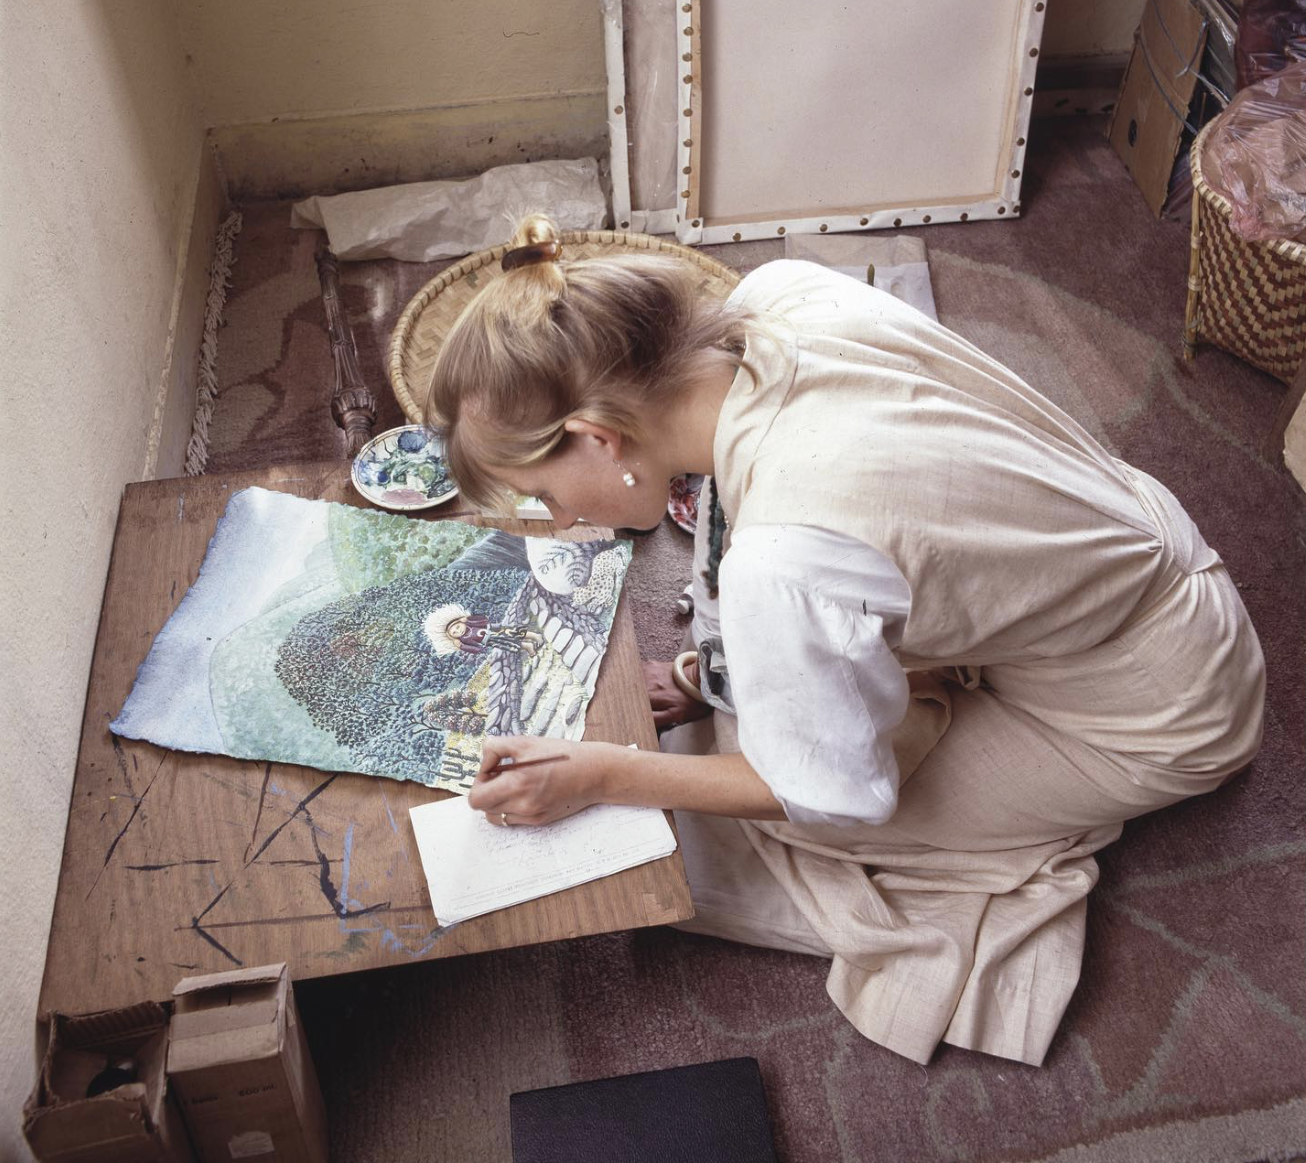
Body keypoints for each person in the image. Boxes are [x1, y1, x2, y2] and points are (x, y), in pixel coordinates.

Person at [423, 214, 1264, 1066]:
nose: (560, 515)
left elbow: (835, 796)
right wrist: (713, 672)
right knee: (758, 713)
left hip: (1162, 711)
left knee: (765, 825)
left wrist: (608, 775)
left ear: (599, 439)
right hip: (1124, 566)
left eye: (543, 492)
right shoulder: (779, 296)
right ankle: (884, 695)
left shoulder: (784, 563)